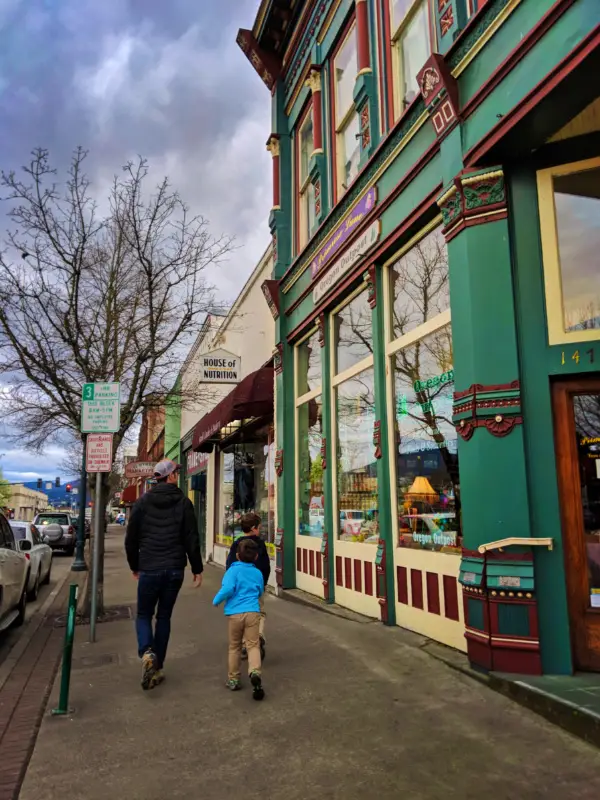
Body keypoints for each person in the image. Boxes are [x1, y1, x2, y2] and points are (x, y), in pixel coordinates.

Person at [125, 459, 203, 690]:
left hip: (149, 567)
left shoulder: (142, 503)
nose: (177, 476)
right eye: (175, 473)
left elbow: (131, 539)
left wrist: (134, 566)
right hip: (174, 569)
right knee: (164, 617)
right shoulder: (183, 502)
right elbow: (192, 538)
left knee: (143, 614)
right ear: (168, 477)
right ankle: (157, 668)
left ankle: (147, 652)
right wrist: (197, 568)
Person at [213, 538, 265, 700]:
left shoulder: (232, 571)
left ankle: (234, 679)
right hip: (252, 612)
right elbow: (260, 591)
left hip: (235, 614)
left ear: (237, 555)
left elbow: (227, 588)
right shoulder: (257, 573)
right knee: (253, 645)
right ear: (256, 557)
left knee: (234, 646)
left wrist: (216, 600)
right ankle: (254, 671)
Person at [226, 511, 270, 659]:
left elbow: (230, 566)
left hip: (239, 590)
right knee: (260, 613)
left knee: (242, 615)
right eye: (259, 527)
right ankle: (258, 635)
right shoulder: (260, 544)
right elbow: (265, 566)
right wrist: (263, 583)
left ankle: (246, 643)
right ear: (253, 528)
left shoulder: (236, 544)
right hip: (256, 588)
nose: (260, 530)